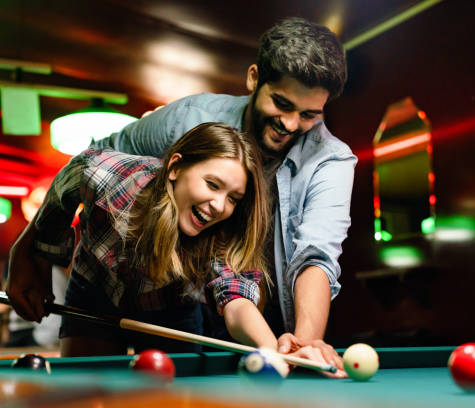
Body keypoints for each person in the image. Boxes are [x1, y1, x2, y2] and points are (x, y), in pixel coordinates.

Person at [89, 17, 356, 372]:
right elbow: (97, 157)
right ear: (253, 78)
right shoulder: (189, 118)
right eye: (282, 103)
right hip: (166, 296)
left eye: (309, 114)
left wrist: (304, 343)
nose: (291, 124)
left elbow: (315, 256)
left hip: (259, 322)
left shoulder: (332, 160)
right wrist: (32, 251)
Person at [6, 123, 281, 357]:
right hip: (95, 291)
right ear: (175, 167)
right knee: (82, 394)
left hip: (172, 312)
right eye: (212, 184)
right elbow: (63, 191)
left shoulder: (222, 233)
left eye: (233, 198)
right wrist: (34, 254)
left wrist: (273, 349)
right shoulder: (102, 175)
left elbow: (236, 303)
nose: (220, 206)